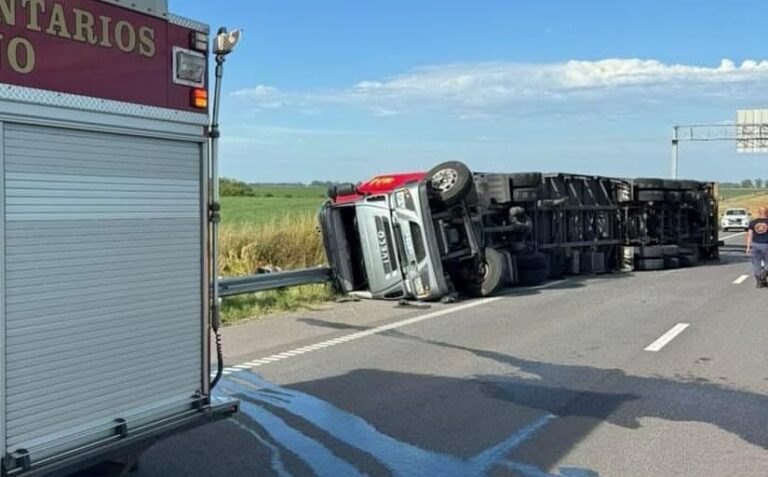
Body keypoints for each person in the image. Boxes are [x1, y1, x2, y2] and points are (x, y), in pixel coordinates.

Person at [746, 206, 768, 288]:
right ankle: (764, 274)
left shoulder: (753, 222)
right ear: (767, 212)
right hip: (766, 245)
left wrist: (748, 247)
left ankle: (759, 281)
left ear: (758, 212)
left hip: (755, 245)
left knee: (756, 264)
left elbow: (749, 235)